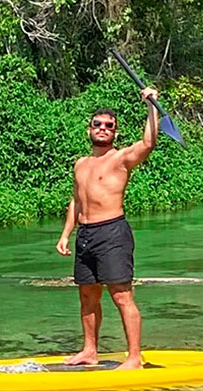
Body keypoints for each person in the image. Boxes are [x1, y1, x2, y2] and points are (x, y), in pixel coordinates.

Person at [55, 87, 159, 370]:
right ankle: (90, 351)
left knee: (121, 295)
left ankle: (135, 357)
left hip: (112, 232)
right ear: (89, 129)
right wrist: (66, 234)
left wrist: (152, 105)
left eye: (109, 126)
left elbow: (148, 143)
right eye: (98, 125)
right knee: (87, 295)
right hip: (85, 235)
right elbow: (76, 201)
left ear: (115, 132)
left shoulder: (121, 158)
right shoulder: (81, 164)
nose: (103, 129)